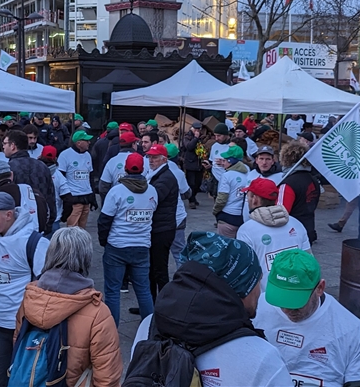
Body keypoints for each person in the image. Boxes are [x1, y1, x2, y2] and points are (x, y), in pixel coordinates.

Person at [131, 232, 292, 387]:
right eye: (257, 279)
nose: (260, 289)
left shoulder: (148, 326)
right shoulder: (262, 357)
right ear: (243, 287)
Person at [255, 250, 360, 387]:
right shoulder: (253, 311)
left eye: (295, 303)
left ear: (320, 288)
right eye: (280, 300)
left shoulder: (355, 332)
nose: (286, 310)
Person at [15, 227, 122, 386]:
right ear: (86, 258)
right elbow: (108, 376)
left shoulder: (30, 297)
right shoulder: (97, 312)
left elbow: (18, 342)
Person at [0, 192, 49, 387]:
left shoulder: (34, 243)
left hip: (25, 327)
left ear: (9, 215)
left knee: (24, 379)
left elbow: (47, 285)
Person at [97, 153, 158, 325]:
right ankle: (149, 329)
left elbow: (104, 220)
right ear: (143, 169)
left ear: (125, 169)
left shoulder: (116, 191)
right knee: (143, 290)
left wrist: (104, 242)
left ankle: (111, 330)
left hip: (117, 246)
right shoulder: (152, 191)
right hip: (141, 247)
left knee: (112, 291)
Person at [237, 178, 312, 290]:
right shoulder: (296, 224)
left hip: (267, 297)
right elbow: (309, 262)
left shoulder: (246, 230)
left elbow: (245, 271)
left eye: (248, 196)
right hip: (297, 292)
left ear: (254, 199)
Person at [144, 144, 179, 305]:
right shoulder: (156, 174)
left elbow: (153, 198)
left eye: (155, 157)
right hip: (158, 227)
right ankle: (150, 303)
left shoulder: (166, 178)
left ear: (164, 159)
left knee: (159, 270)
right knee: (151, 269)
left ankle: (163, 304)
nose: (151, 160)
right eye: (150, 157)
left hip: (162, 229)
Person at [4, 129, 56, 226]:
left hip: (17, 224)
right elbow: (51, 197)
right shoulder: (42, 166)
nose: (3, 146)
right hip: (42, 220)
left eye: (5, 143)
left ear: (13, 146)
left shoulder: (9, 168)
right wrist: (49, 222)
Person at [278, 141, 321, 244]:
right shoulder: (314, 180)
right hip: (309, 229)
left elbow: (281, 214)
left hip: (291, 233)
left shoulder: (288, 183)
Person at [58, 130, 94, 228]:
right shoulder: (65, 155)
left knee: (82, 231)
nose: (89, 143)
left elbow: (90, 176)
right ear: (79, 143)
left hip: (86, 198)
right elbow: (60, 177)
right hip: (74, 199)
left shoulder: (88, 155)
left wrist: (92, 196)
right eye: (86, 141)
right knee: (72, 230)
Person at [213, 146, 250, 238]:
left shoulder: (226, 175)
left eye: (225, 160)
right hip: (243, 217)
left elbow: (222, 198)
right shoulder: (249, 171)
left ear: (231, 161)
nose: (223, 163)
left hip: (227, 217)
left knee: (226, 248)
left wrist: (215, 211)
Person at [38, 146, 68, 237]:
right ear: (55, 159)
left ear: (40, 156)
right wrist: (64, 216)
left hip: (36, 220)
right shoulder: (59, 176)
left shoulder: (34, 172)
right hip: (53, 221)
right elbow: (68, 198)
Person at [98, 131, 138, 196]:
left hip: (118, 200)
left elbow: (103, 187)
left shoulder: (112, 161)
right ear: (133, 144)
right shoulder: (143, 160)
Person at [181, 122, 204, 209]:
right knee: (191, 183)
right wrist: (195, 138)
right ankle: (191, 200)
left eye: (199, 129)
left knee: (198, 183)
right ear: (192, 129)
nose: (197, 131)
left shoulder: (202, 137)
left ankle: (193, 197)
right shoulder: (187, 137)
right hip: (190, 163)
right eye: (196, 129)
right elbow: (189, 147)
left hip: (199, 164)